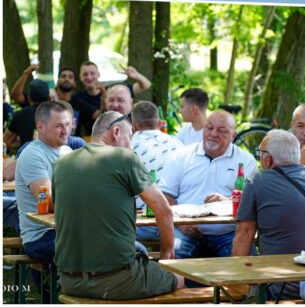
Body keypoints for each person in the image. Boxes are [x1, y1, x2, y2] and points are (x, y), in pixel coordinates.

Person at [53, 111, 184, 301]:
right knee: (180, 280)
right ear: (116, 131)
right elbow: (164, 211)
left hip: (68, 280)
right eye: (130, 136)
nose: (131, 145)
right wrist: (166, 254)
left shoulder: (61, 163)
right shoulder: (124, 158)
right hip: (117, 280)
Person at [232, 130, 305, 299]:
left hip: (275, 288)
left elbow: (245, 233)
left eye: (260, 153)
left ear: (268, 158)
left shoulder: (256, 180)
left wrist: (235, 282)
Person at [159, 111, 257, 258]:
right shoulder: (182, 156)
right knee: (175, 257)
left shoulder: (245, 160)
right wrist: (181, 223)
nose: (213, 134)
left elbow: (253, 202)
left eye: (221, 131)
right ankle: (186, 282)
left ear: (233, 135)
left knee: (245, 263)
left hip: (229, 233)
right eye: (209, 128)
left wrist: (227, 201)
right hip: (186, 230)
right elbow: (165, 195)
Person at [14, 101, 73, 302]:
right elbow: (49, 202)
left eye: (68, 123)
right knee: (94, 245)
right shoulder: (32, 154)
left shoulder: (67, 152)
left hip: (66, 230)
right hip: (40, 237)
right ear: (40, 127)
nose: (65, 130)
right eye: (58, 125)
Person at [130, 101, 183, 221]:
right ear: (160, 123)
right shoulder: (177, 143)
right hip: (176, 217)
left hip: (141, 218)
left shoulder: (128, 147)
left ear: (133, 126)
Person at [5, 79, 52, 150]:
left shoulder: (20, 115)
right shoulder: (58, 114)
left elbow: (7, 141)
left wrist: (25, 143)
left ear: (29, 98)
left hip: (28, 157)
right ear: (49, 98)